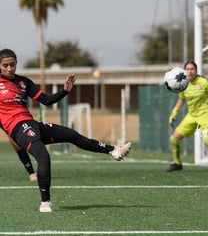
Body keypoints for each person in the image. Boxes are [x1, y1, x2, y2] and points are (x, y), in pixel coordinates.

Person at [0, 48, 132, 213]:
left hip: (32, 124)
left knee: (71, 135)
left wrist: (65, 91)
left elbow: (46, 100)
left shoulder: (23, 82)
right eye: (5, 65)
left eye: (12, 64)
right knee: (43, 157)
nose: (9, 68)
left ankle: (114, 151)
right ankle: (45, 202)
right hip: (18, 127)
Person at [166, 60, 208, 172]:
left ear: (196, 70)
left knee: (207, 137)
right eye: (188, 69)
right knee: (174, 139)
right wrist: (174, 113)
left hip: (206, 114)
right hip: (192, 115)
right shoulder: (183, 83)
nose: (190, 71)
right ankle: (177, 163)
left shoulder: (204, 82)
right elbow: (181, 99)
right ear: (184, 71)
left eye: (192, 69)